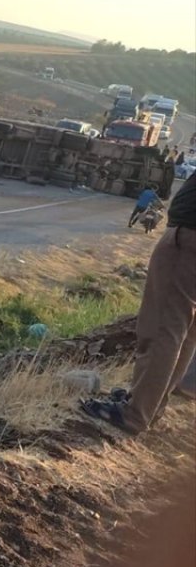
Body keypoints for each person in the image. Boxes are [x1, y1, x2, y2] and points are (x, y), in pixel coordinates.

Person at [82, 174, 195, 434]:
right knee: (185, 332)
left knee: (162, 328)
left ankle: (135, 414)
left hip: (189, 238)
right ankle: (150, 405)